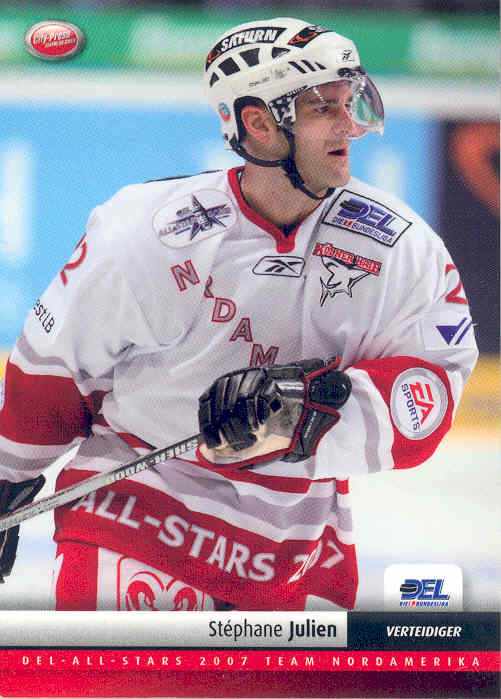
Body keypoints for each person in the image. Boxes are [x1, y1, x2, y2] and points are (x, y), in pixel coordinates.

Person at [0, 17, 477, 611]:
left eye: (348, 102)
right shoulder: (145, 229)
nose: (349, 124)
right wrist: (7, 476)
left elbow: (430, 392)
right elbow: (54, 371)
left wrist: (310, 409)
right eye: (323, 108)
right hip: (135, 515)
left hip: (293, 546)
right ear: (259, 124)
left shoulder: (402, 248)